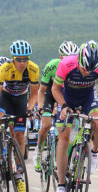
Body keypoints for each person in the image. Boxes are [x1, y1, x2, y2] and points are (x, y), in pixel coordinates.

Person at [51, 40, 98, 192]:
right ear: (78, 60)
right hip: (67, 98)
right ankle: (61, 186)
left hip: (88, 97)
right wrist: (64, 106)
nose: (86, 73)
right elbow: (55, 89)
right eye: (83, 68)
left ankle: (94, 152)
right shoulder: (66, 64)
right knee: (64, 139)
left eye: (90, 71)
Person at [0, 41, 39, 192]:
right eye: (19, 59)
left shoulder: (33, 69)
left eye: (25, 59)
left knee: (20, 135)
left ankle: (19, 174)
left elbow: (34, 94)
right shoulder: (5, 68)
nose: (22, 62)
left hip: (21, 99)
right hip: (5, 97)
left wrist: (29, 110)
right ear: (13, 58)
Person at [33, 41, 79, 172]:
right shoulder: (52, 66)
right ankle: (39, 150)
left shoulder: (77, 68)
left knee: (67, 132)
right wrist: (40, 108)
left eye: (73, 58)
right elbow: (41, 91)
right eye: (66, 57)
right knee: (46, 125)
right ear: (60, 57)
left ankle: (64, 158)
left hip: (64, 96)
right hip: (49, 93)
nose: (70, 61)